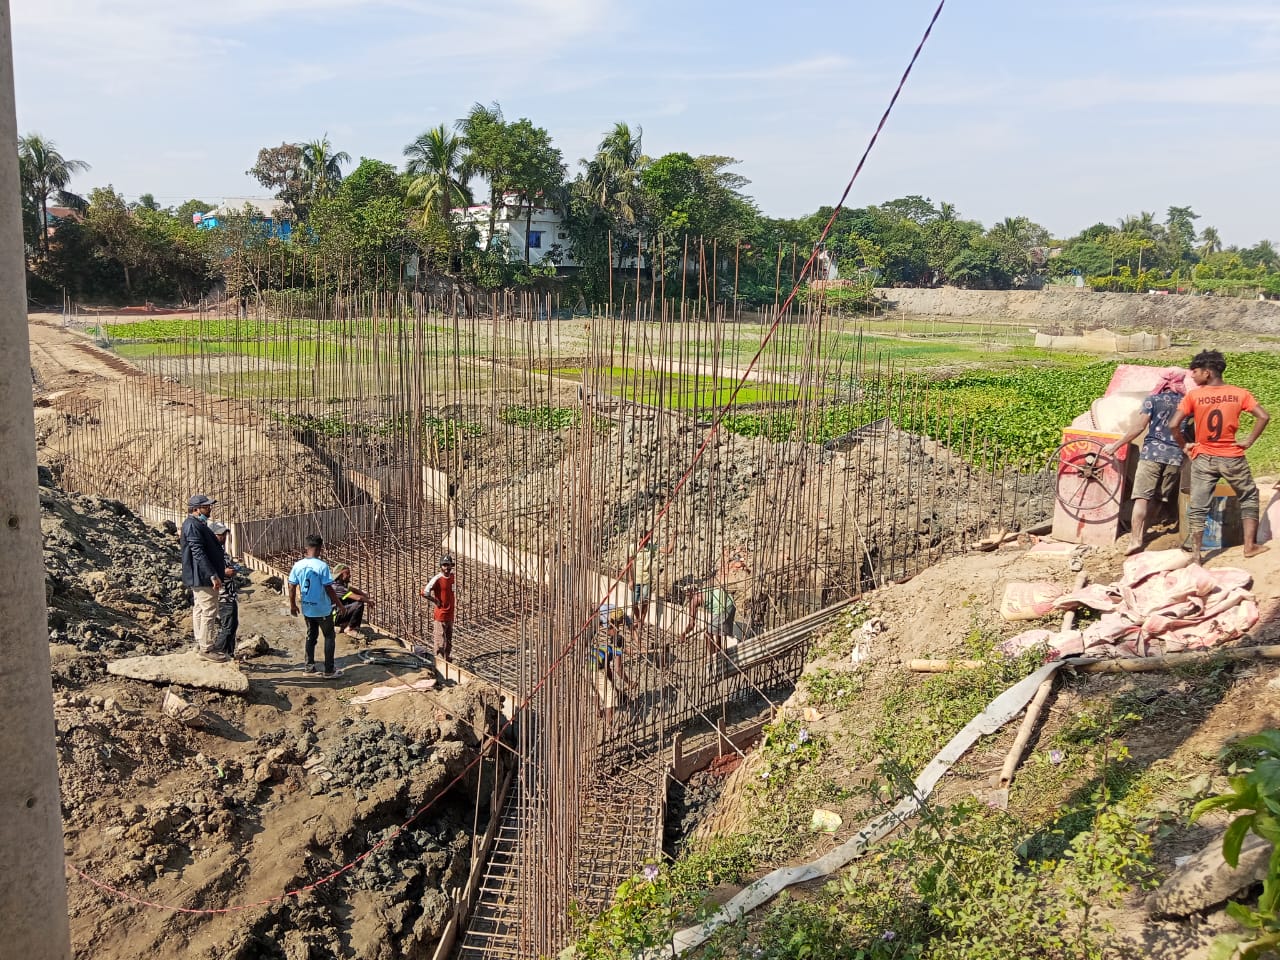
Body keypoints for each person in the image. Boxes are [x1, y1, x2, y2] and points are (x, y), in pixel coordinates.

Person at [1165, 349, 1271, 563]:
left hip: (1204, 457)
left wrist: (1185, 446)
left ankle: (1196, 555)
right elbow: (1263, 416)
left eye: (1195, 372)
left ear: (1207, 372)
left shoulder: (1194, 396)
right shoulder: (1239, 393)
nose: (1192, 376)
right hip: (1232, 457)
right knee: (1248, 496)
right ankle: (1249, 546)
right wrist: (1248, 441)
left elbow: (1173, 424)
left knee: (1198, 505)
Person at [1102, 369, 1187, 555]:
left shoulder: (1153, 400)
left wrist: (1115, 446)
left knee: (1141, 498)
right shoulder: (1187, 403)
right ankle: (1148, 529)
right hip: (1175, 457)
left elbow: (1139, 427)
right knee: (1159, 498)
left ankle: (1136, 539)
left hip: (1151, 454)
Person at [287, 534, 346, 678]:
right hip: (322, 609)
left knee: (311, 637)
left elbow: (292, 586)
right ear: (320, 549)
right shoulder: (322, 566)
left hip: (308, 608)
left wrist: (293, 605)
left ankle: (309, 668)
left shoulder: (297, 565)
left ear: (306, 548)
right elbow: (328, 588)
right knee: (329, 636)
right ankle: (329, 670)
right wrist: (339, 605)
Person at [180, 493, 224, 659]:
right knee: (209, 610)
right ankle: (206, 648)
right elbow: (198, 552)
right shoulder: (193, 525)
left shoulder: (194, 524)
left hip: (199, 575)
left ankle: (201, 642)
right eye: (206, 507)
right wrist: (212, 575)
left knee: (199, 608)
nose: (209, 509)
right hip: (202, 576)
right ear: (196, 509)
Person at [680, 581, 736, 678]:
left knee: (707, 634)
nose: (687, 595)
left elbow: (692, 624)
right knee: (717, 634)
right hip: (731, 603)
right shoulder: (705, 590)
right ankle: (719, 657)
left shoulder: (694, 600)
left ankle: (713, 658)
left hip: (723, 609)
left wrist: (684, 634)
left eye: (687, 593)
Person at [207, 520, 241, 662]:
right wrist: (224, 572)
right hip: (222, 596)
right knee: (228, 626)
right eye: (220, 535)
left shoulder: (221, 552)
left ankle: (229, 653)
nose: (224, 537)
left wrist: (233, 569)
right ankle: (219, 652)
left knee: (233, 625)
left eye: (224, 534)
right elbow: (208, 572)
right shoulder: (210, 553)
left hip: (230, 594)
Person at [420, 554, 456, 660]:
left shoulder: (452, 577)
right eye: (444, 565)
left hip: (450, 615)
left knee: (448, 640)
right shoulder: (437, 579)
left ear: (451, 566)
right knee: (440, 641)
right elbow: (424, 592)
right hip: (440, 616)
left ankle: (447, 659)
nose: (446, 568)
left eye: (448, 565)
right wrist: (435, 601)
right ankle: (439, 662)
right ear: (441, 566)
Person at [330, 562, 375, 637]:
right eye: (347, 574)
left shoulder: (338, 583)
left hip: (334, 613)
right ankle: (349, 629)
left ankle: (344, 624)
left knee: (351, 600)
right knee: (359, 604)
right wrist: (369, 601)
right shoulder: (337, 587)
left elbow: (352, 589)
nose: (349, 576)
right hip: (333, 616)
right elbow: (358, 598)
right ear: (340, 575)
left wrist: (364, 595)